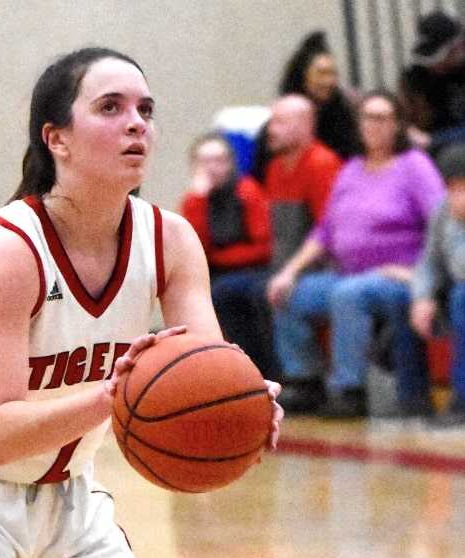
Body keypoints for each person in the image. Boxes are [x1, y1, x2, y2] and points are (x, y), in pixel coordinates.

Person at [0, 47, 283, 558]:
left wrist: (243, 402)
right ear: (57, 139)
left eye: (145, 108)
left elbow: (203, 370)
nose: (136, 122)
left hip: (68, 501)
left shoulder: (171, 240)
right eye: (110, 107)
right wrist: (110, 398)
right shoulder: (8, 249)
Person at [268, 90, 446, 418]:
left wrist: (417, 275)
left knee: (349, 295)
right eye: (367, 117)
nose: (373, 125)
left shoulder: (414, 166)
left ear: (397, 125)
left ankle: (350, 390)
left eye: (381, 118)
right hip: (347, 271)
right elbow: (325, 230)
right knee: (288, 294)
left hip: (398, 275)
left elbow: (441, 225)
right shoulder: (351, 169)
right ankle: (305, 380)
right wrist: (290, 271)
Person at [179, 132, 278, 378]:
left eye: (219, 160)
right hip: (211, 272)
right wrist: (198, 200)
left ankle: (249, 370)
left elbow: (264, 248)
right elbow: (193, 247)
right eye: (205, 161)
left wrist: (218, 258)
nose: (212, 168)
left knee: (225, 294)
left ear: (231, 163)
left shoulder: (248, 192)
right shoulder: (195, 199)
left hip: (253, 271)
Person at [251, 30, 358, 181]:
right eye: (322, 73)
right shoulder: (274, 131)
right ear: (302, 76)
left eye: (333, 74)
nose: (329, 81)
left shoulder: (345, 121)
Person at [410, 143, 465, 427]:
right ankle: (411, 399)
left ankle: (462, 400)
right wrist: (422, 297)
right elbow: (428, 262)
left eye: (463, 185)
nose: (457, 194)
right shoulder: (443, 210)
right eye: (452, 186)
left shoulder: (455, 214)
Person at [263, 94, 342, 272]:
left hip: (316, 268)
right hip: (280, 266)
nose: (271, 130)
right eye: (271, 122)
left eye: (280, 122)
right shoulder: (275, 167)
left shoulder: (322, 164)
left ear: (305, 125)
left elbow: (329, 230)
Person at [399, 10, 465, 155]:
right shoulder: (417, 77)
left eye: (439, 57)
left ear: (459, 46)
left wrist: (433, 140)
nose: (433, 65)